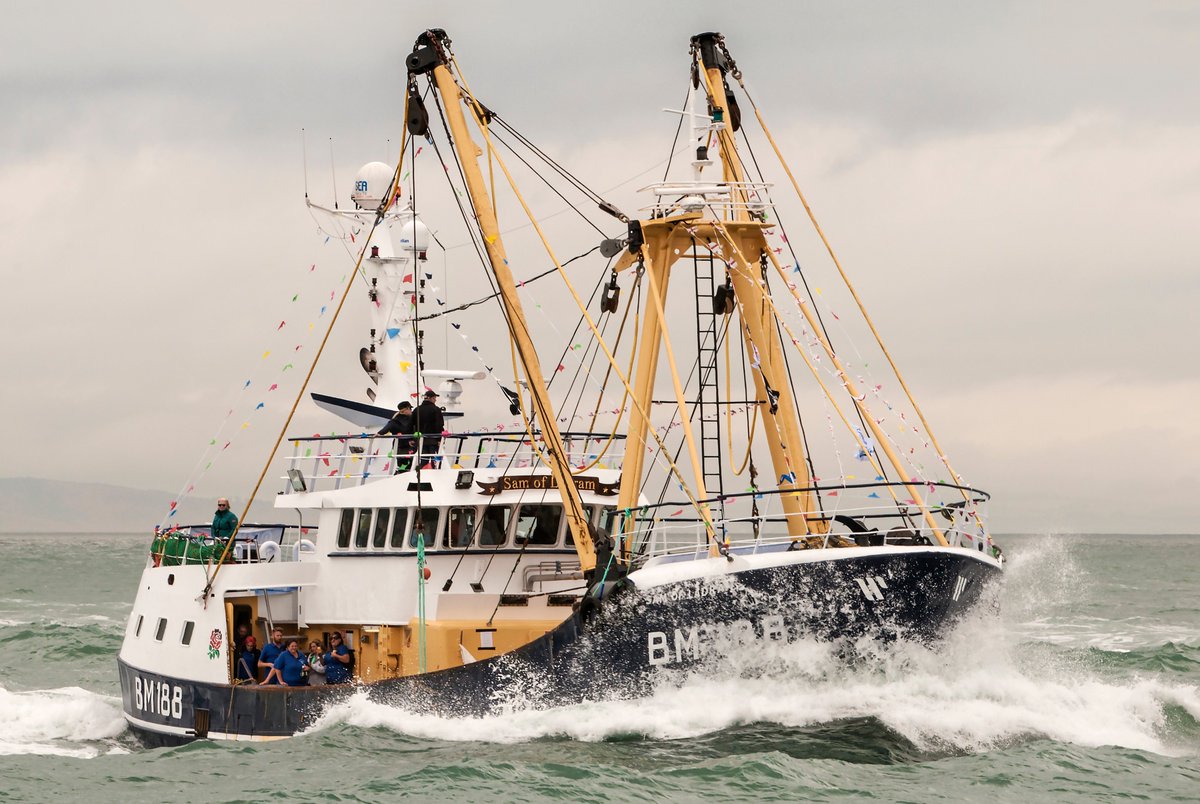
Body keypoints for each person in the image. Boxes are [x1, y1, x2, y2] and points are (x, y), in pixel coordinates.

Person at [378, 401, 415, 472]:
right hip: (406, 447)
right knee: (408, 467)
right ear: (406, 409)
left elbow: (387, 428)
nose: (411, 410)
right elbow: (388, 427)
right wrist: (380, 433)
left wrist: (379, 433)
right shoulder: (407, 420)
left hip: (400, 447)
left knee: (403, 467)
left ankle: (401, 477)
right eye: (410, 408)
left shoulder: (395, 420)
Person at [412, 390, 446, 466]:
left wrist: (412, 439)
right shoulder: (436, 410)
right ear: (430, 398)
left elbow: (411, 424)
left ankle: (416, 472)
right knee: (435, 461)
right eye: (434, 398)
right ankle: (434, 473)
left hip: (420, 440)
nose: (435, 400)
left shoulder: (417, 409)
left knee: (424, 460)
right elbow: (439, 425)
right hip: (433, 440)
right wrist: (439, 439)